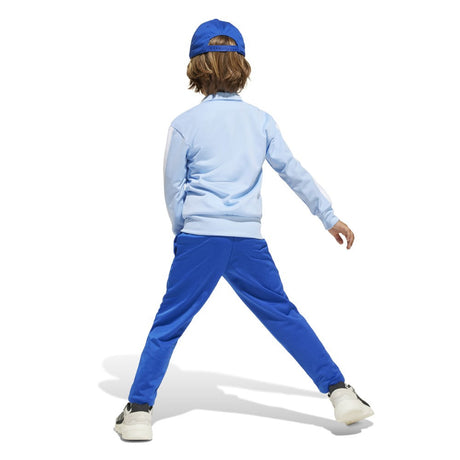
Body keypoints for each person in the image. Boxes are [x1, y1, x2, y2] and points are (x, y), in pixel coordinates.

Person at [114, 18, 374, 441]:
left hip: (200, 239)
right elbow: (293, 171)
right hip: (248, 240)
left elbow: (173, 187)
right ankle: (340, 393)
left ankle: (139, 411)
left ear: (196, 67)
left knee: (169, 322)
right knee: (283, 315)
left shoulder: (184, 124)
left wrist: (183, 231)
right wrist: (328, 216)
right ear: (242, 66)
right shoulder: (261, 121)